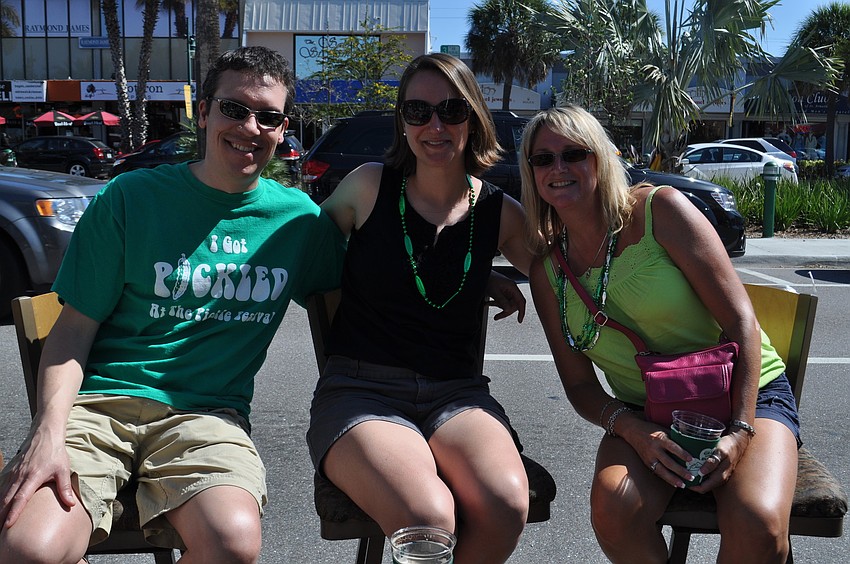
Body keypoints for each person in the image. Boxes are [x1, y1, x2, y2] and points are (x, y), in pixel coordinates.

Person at [0, 46, 346, 564]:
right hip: (99, 410)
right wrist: (45, 435)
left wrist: (473, 277)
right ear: (203, 112)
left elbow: (363, 294)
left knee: (232, 543)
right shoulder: (129, 198)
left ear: (282, 128)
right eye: (234, 108)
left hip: (208, 418)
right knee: (29, 548)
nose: (250, 127)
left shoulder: (299, 220)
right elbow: (72, 332)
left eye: (268, 116)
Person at [521, 106, 800, 563]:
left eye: (574, 154)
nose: (558, 168)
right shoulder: (547, 271)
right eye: (542, 159)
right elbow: (578, 386)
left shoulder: (659, 211)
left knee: (757, 524)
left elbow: (742, 324)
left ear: (602, 159)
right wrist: (633, 430)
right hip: (645, 412)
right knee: (615, 508)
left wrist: (741, 432)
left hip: (745, 399)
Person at [307, 53, 532, 563]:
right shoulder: (368, 186)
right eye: (418, 111)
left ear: (473, 120)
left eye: (452, 110)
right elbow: (307, 257)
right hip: (361, 391)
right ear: (402, 121)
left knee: (505, 503)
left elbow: (565, 275)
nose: (435, 125)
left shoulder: (500, 213)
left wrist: (479, 272)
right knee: (427, 520)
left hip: (456, 393)